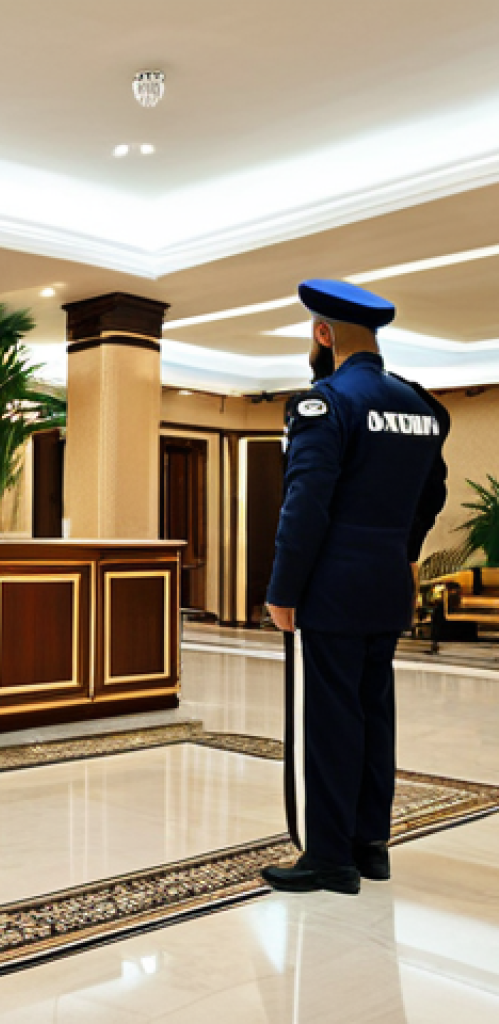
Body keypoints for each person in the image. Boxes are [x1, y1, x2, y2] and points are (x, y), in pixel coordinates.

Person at [261, 279, 449, 895]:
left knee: (331, 720)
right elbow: (432, 495)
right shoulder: (421, 407)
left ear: (323, 334)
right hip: (387, 584)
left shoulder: (326, 403)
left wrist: (284, 589)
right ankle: (371, 845)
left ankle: (330, 857)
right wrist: (403, 553)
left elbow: (305, 503)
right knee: (374, 714)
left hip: (332, 590)